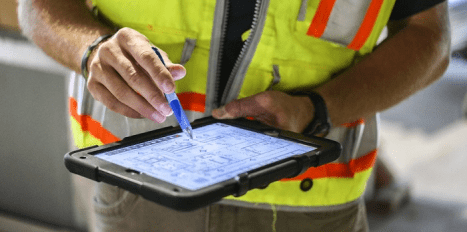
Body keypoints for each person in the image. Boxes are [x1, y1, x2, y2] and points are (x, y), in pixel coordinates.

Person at [17, 0, 450, 231]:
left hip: (311, 201)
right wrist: (91, 48)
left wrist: (317, 107)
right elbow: (38, 5)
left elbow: (429, 39)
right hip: (138, 190)